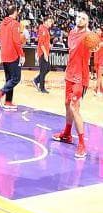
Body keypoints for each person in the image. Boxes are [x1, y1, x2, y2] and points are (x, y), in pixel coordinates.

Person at [51, 13, 97, 160]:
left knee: (74, 107)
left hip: (80, 77)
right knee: (66, 104)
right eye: (78, 17)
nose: (79, 19)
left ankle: (82, 143)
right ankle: (67, 134)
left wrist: (96, 45)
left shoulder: (89, 36)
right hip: (69, 74)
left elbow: (96, 43)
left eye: (83, 18)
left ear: (87, 21)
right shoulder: (71, 32)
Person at [0, 6, 23, 111]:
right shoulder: (15, 24)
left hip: (4, 54)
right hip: (13, 55)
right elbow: (16, 41)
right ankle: (0, 93)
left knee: (9, 79)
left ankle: (8, 101)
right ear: (15, 12)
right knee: (16, 78)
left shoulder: (2, 24)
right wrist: (22, 54)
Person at [33, 16, 53, 93]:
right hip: (42, 53)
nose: (51, 23)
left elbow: (45, 41)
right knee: (43, 70)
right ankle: (42, 88)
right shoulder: (42, 29)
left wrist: (49, 44)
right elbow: (41, 43)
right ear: (45, 22)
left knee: (47, 68)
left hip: (45, 52)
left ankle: (36, 80)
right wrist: (44, 53)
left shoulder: (46, 30)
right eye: (49, 21)